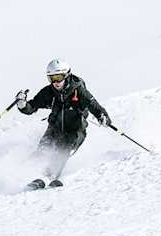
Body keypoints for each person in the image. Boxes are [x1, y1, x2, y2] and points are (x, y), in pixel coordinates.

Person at [16, 59, 111, 189]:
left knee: (64, 151)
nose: (55, 82)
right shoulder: (48, 92)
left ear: (67, 75)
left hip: (75, 130)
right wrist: (22, 105)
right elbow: (31, 107)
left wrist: (103, 117)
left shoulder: (79, 91)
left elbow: (94, 106)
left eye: (59, 77)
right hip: (54, 128)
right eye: (52, 78)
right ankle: (26, 175)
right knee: (43, 150)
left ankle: (50, 176)